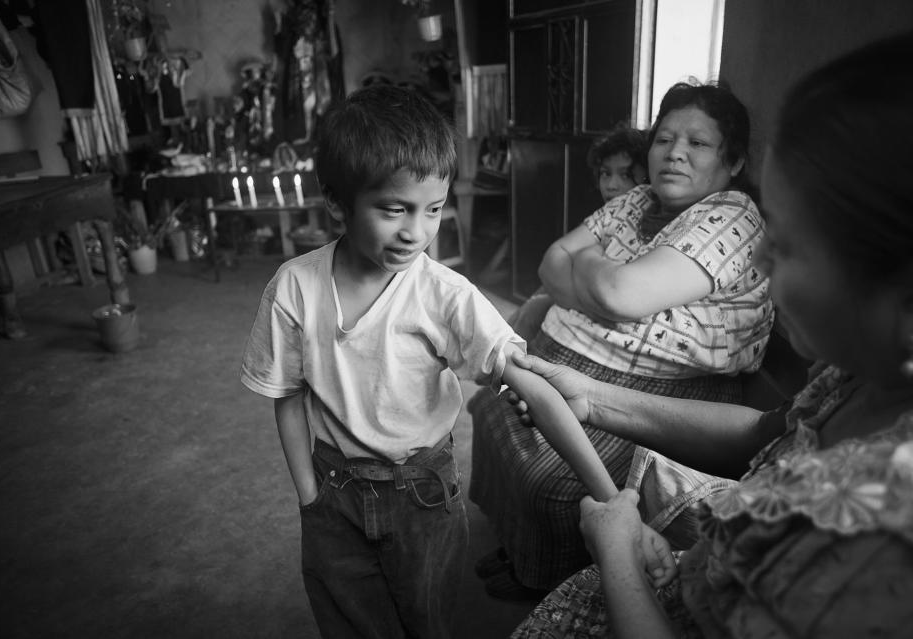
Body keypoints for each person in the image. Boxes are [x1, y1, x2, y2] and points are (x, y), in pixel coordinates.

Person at [510, 31, 913, 638]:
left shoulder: (877, 542)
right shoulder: (858, 374)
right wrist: (594, 398)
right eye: (665, 139)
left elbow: (616, 292)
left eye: (788, 243)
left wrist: (616, 554)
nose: (761, 262)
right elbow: (767, 430)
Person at [240, 84, 623, 639]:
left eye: (434, 210)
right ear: (335, 200)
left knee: (428, 621)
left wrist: (612, 502)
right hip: (333, 490)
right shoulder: (295, 287)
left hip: (422, 493)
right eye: (394, 209)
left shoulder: (447, 296)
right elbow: (287, 394)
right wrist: (309, 495)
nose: (416, 232)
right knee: (349, 619)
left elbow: (538, 391)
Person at [469, 81, 775, 600]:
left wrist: (589, 268)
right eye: (663, 139)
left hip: (667, 387)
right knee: (487, 409)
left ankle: (555, 584)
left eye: (697, 143)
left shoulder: (731, 216)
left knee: (553, 479)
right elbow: (551, 262)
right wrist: (602, 286)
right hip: (574, 356)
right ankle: (522, 551)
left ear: (735, 160)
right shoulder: (636, 198)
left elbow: (617, 292)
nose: (674, 153)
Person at [510, 125, 650, 343]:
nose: (612, 185)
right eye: (606, 173)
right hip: (583, 300)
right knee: (530, 307)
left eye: (625, 174)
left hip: (608, 319)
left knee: (534, 311)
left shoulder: (647, 227)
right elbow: (548, 267)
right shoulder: (605, 218)